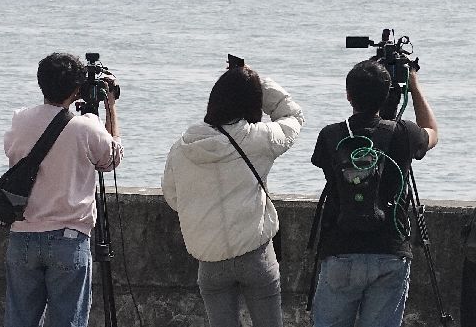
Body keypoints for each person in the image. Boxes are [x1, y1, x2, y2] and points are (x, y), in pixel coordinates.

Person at [162, 63, 304, 327]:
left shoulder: (182, 146)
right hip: (256, 254)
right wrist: (259, 83)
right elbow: (293, 117)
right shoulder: (257, 138)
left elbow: (172, 196)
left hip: (210, 258)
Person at [310, 60, 439, 327]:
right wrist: (413, 84)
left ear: (348, 95)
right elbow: (433, 133)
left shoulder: (330, 135)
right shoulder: (404, 132)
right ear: (388, 93)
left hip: (341, 248)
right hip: (390, 250)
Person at [3, 53, 122, 327]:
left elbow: (11, 151)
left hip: (23, 235)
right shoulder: (86, 127)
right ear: (77, 88)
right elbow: (112, 158)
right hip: (68, 238)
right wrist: (110, 106)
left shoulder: (20, 119)